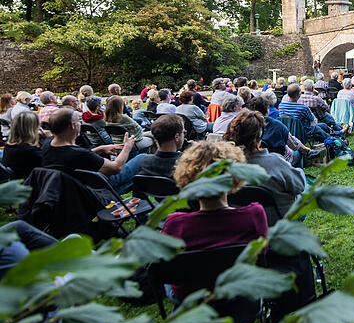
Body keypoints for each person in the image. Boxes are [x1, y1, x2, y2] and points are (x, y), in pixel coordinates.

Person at [161, 140, 268, 300]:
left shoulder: (175, 224)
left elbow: (166, 267)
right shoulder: (254, 214)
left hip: (192, 300)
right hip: (242, 298)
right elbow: (263, 255)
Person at [0, 221, 128, 323]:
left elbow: (20, 228)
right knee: (76, 280)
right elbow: (45, 299)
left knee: (72, 241)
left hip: (27, 301)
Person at [42, 108, 142, 194]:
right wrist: (127, 147)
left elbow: (74, 157)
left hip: (72, 190)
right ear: (72, 126)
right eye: (79, 122)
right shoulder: (79, 154)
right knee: (144, 159)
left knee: (139, 177)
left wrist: (101, 148)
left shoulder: (48, 144)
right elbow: (116, 168)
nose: (80, 125)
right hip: (98, 189)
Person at [225, 110, 307, 215]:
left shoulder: (224, 166)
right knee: (301, 179)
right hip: (277, 220)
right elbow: (299, 187)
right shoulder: (276, 162)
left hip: (241, 221)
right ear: (260, 134)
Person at [2, 111, 50, 179]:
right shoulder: (30, 152)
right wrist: (50, 139)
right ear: (33, 129)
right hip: (33, 185)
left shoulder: (9, 146)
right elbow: (51, 162)